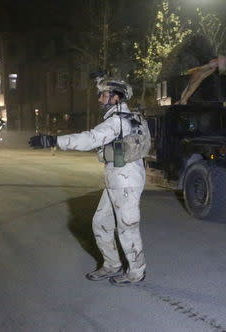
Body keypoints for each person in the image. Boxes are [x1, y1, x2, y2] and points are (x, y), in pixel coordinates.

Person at [29, 76, 150, 286]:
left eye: (104, 94)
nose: (100, 99)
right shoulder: (127, 117)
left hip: (125, 181)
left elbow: (90, 139)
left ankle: (136, 272)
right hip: (119, 178)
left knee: (127, 226)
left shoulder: (117, 121)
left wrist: (54, 140)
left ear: (116, 98)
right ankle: (112, 265)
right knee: (101, 223)